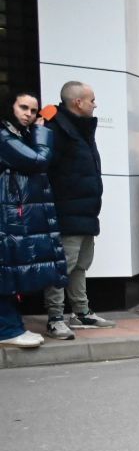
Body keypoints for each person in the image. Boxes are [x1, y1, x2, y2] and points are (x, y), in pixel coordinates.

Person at [43, 80, 115, 337]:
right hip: (66, 212)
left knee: (80, 265)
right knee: (62, 266)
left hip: (85, 211)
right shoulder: (56, 129)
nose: (95, 105)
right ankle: (55, 317)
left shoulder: (80, 128)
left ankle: (81, 312)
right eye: (92, 100)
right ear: (78, 102)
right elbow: (47, 170)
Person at [0, 91, 65, 348]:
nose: (28, 114)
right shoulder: (4, 136)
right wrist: (41, 133)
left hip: (12, 216)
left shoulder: (16, 135)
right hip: (7, 217)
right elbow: (38, 160)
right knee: (6, 273)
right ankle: (8, 330)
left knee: (9, 274)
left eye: (33, 110)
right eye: (23, 107)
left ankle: (11, 327)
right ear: (11, 107)